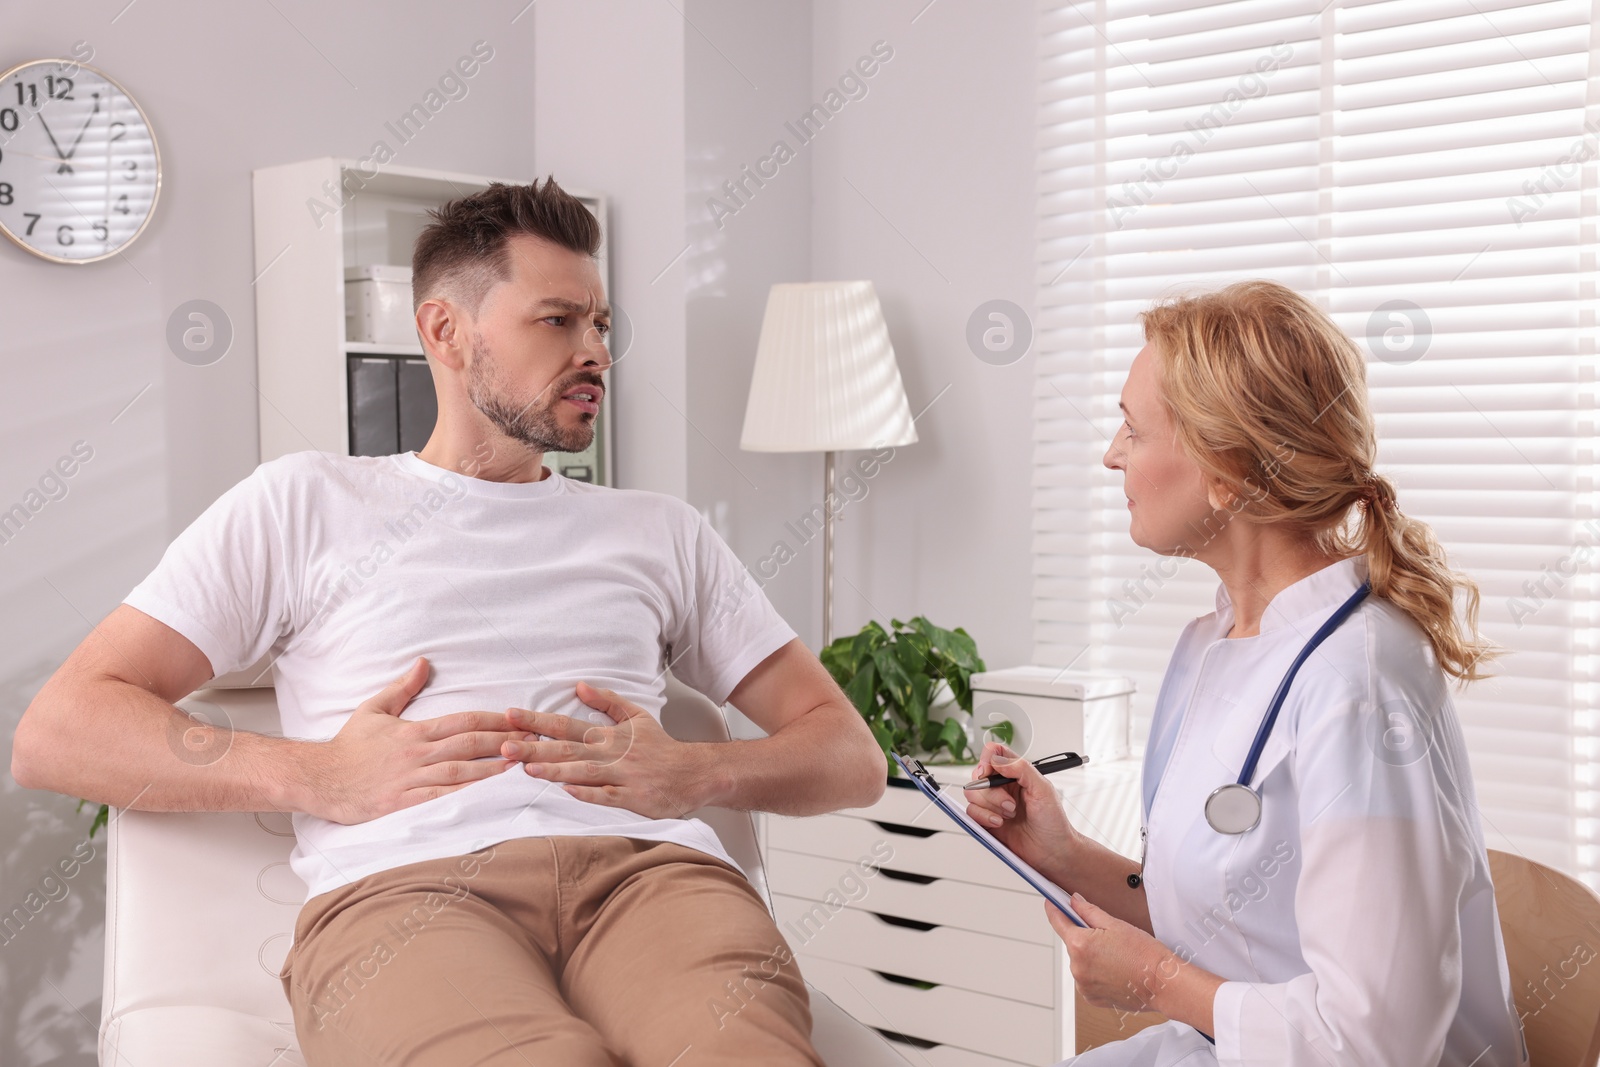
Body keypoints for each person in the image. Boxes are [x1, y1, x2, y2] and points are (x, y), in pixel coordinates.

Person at [12, 178, 887, 1067]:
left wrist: (696, 772)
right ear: (444, 331)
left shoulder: (660, 529)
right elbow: (60, 730)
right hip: (406, 897)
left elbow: (849, 757)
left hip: (652, 878)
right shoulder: (306, 502)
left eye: (602, 325)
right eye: (558, 321)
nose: (596, 352)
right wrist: (320, 776)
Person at [967, 280, 1527, 1066]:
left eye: (1133, 428)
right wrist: (1061, 850)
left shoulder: (1359, 682)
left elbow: (1380, 1040)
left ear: (1224, 467)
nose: (1110, 454)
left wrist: (1157, 979)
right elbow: (1236, 914)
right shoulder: (1212, 641)